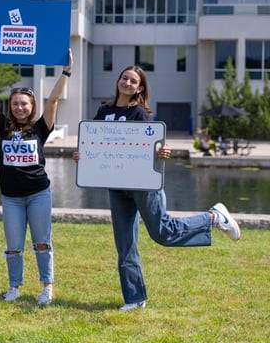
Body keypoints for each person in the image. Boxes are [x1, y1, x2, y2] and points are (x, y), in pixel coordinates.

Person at [74, 65, 241, 311]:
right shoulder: (103, 110)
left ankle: (214, 217)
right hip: (116, 185)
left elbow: (147, 145)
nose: (127, 83)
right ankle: (135, 298)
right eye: (124, 78)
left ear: (139, 88)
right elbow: (96, 143)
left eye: (133, 81)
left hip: (142, 184)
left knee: (163, 232)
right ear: (118, 81)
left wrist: (159, 152)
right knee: (125, 244)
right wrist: (84, 155)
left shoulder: (140, 113)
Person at [0, 50, 73, 306]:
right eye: (15, 104)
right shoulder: (1, 126)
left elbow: (53, 101)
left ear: (31, 106)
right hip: (11, 197)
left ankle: (47, 287)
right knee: (13, 246)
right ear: (10, 106)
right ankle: (14, 286)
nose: (20, 107)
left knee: (42, 243)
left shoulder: (40, 128)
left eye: (24, 103)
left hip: (38, 194)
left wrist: (66, 72)